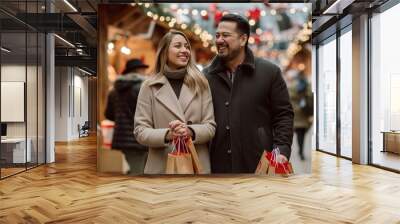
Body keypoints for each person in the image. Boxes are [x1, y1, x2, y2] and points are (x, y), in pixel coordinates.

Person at [203, 14, 294, 173]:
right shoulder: (205, 77)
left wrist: (282, 149)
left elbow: (283, 115)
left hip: (259, 163)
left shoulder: (270, 73)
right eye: (217, 35)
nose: (219, 40)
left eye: (226, 35)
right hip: (217, 166)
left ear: (243, 39)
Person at [134, 30, 216, 174]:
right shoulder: (149, 86)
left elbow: (210, 127)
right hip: (162, 165)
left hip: (196, 164)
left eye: (187, 47)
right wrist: (168, 134)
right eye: (178, 46)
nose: (184, 50)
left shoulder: (201, 83)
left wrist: (190, 131)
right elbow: (140, 131)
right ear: (165, 51)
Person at [105, 58, 148, 175]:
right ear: (138, 70)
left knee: (135, 169)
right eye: (143, 70)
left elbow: (108, 115)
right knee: (139, 172)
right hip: (140, 136)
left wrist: (122, 118)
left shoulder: (114, 90)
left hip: (123, 138)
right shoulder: (142, 88)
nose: (145, 72)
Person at [287, 69, 313, 160]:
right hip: (304, 113)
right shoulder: (307, 85)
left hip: (295, 114)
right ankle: (301, 151)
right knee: (302, 133)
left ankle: (300, 151)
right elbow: (311, 97)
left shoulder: (292, 86)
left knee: (299, 133)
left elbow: (288, 99)